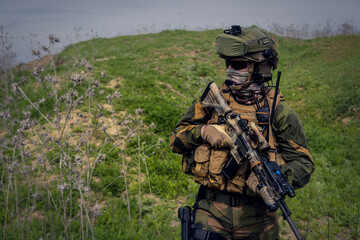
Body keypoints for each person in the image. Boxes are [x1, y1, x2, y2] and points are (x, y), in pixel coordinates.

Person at [170, 25, 314, 240]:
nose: (230, 70)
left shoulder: (278, 111)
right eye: (228, 63)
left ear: (260, 67)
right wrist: (203, 131)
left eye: (238, 64)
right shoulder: (211, 101)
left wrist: (277, 177)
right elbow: (176, 140)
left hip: (258, 217)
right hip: (211, 211)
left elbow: (303, 163)